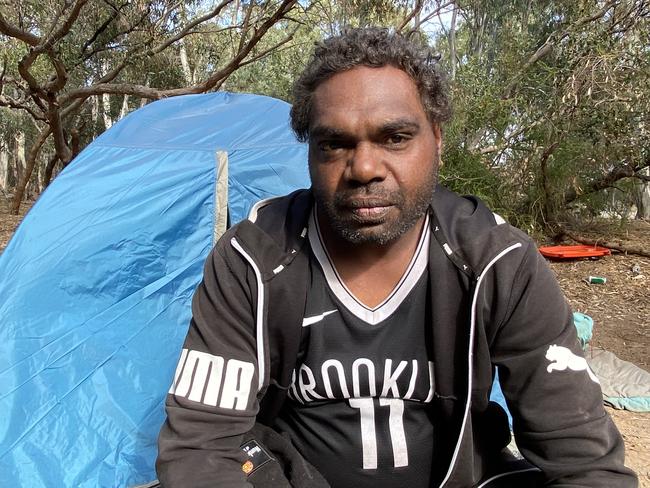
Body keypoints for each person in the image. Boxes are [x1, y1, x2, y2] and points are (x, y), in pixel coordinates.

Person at [156, 28, 637, 487]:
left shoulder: (498, 263)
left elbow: (584, 460)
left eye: (395, 138)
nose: (364, 168)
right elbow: (201, 446)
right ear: (310, 153)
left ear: (438, 142)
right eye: (335, 143)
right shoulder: (252, 260)